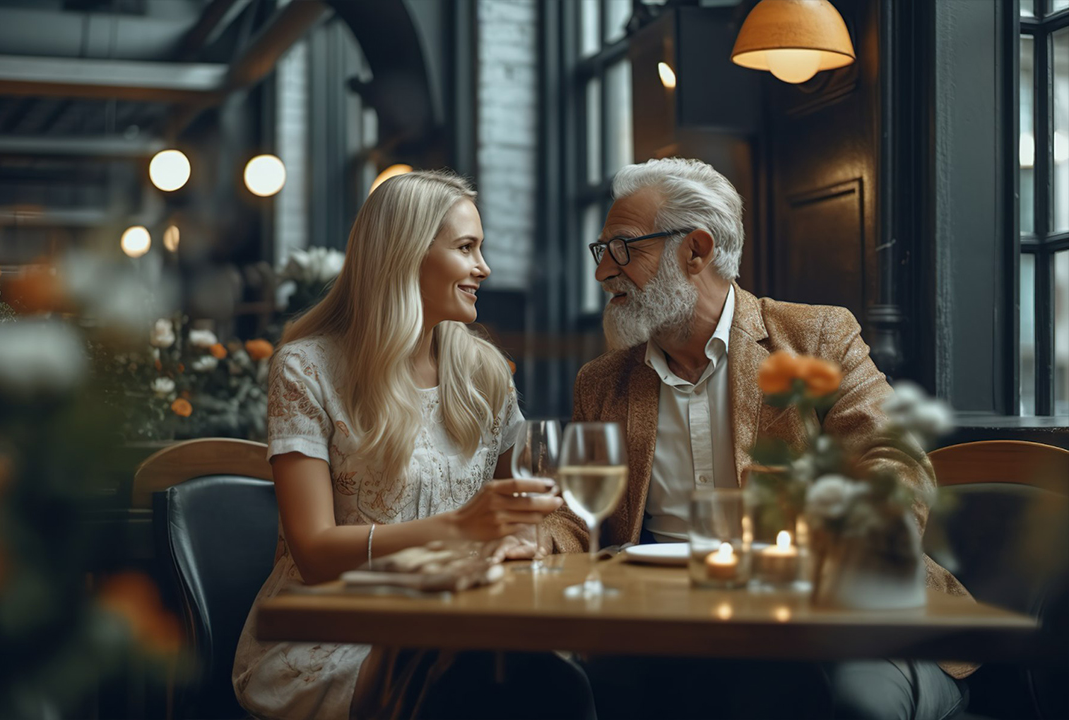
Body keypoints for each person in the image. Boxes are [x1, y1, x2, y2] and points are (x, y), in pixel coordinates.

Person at [540, 157, 975, 720]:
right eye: (602, 252)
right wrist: (537, 538)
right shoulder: (602, 381)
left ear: (695, 250)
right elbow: (575, 515)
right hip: (668, 621)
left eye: (622, 248)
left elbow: (893, 458)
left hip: (844, 615)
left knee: (852, 705)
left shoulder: (816, 336)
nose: (603, 272)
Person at [232, 170, 592, 720]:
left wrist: (528, 538)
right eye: (466, 248)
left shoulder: (484, 372)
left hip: (461, 618)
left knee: (553, 681)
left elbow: (528, 512)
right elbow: (314, 553)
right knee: (476, 684)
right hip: (337, 630)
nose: (484, 268)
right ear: (406, 255)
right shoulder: (307, 368)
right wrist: (461, 527)